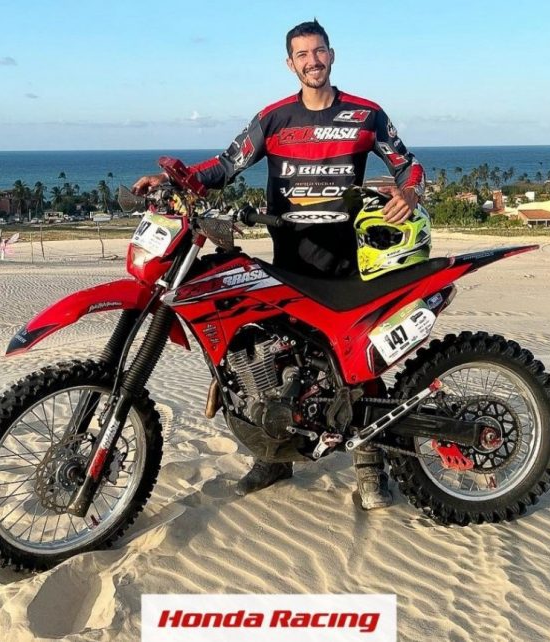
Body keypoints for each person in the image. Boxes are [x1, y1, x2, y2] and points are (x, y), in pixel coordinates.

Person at [133, 19, 426, 510]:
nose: (313, 61)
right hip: (288, 256)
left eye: (319, 51)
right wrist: (173, 181)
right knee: (278, 353)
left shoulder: (365, 115)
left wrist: (409, 192)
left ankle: (370, 466)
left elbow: (406, 163)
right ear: (290, 64)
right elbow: (224, 166)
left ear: (332, 55)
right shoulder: (273, 119)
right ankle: (273, 457)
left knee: (357, 358)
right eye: (302, 55)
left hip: (350, 255)